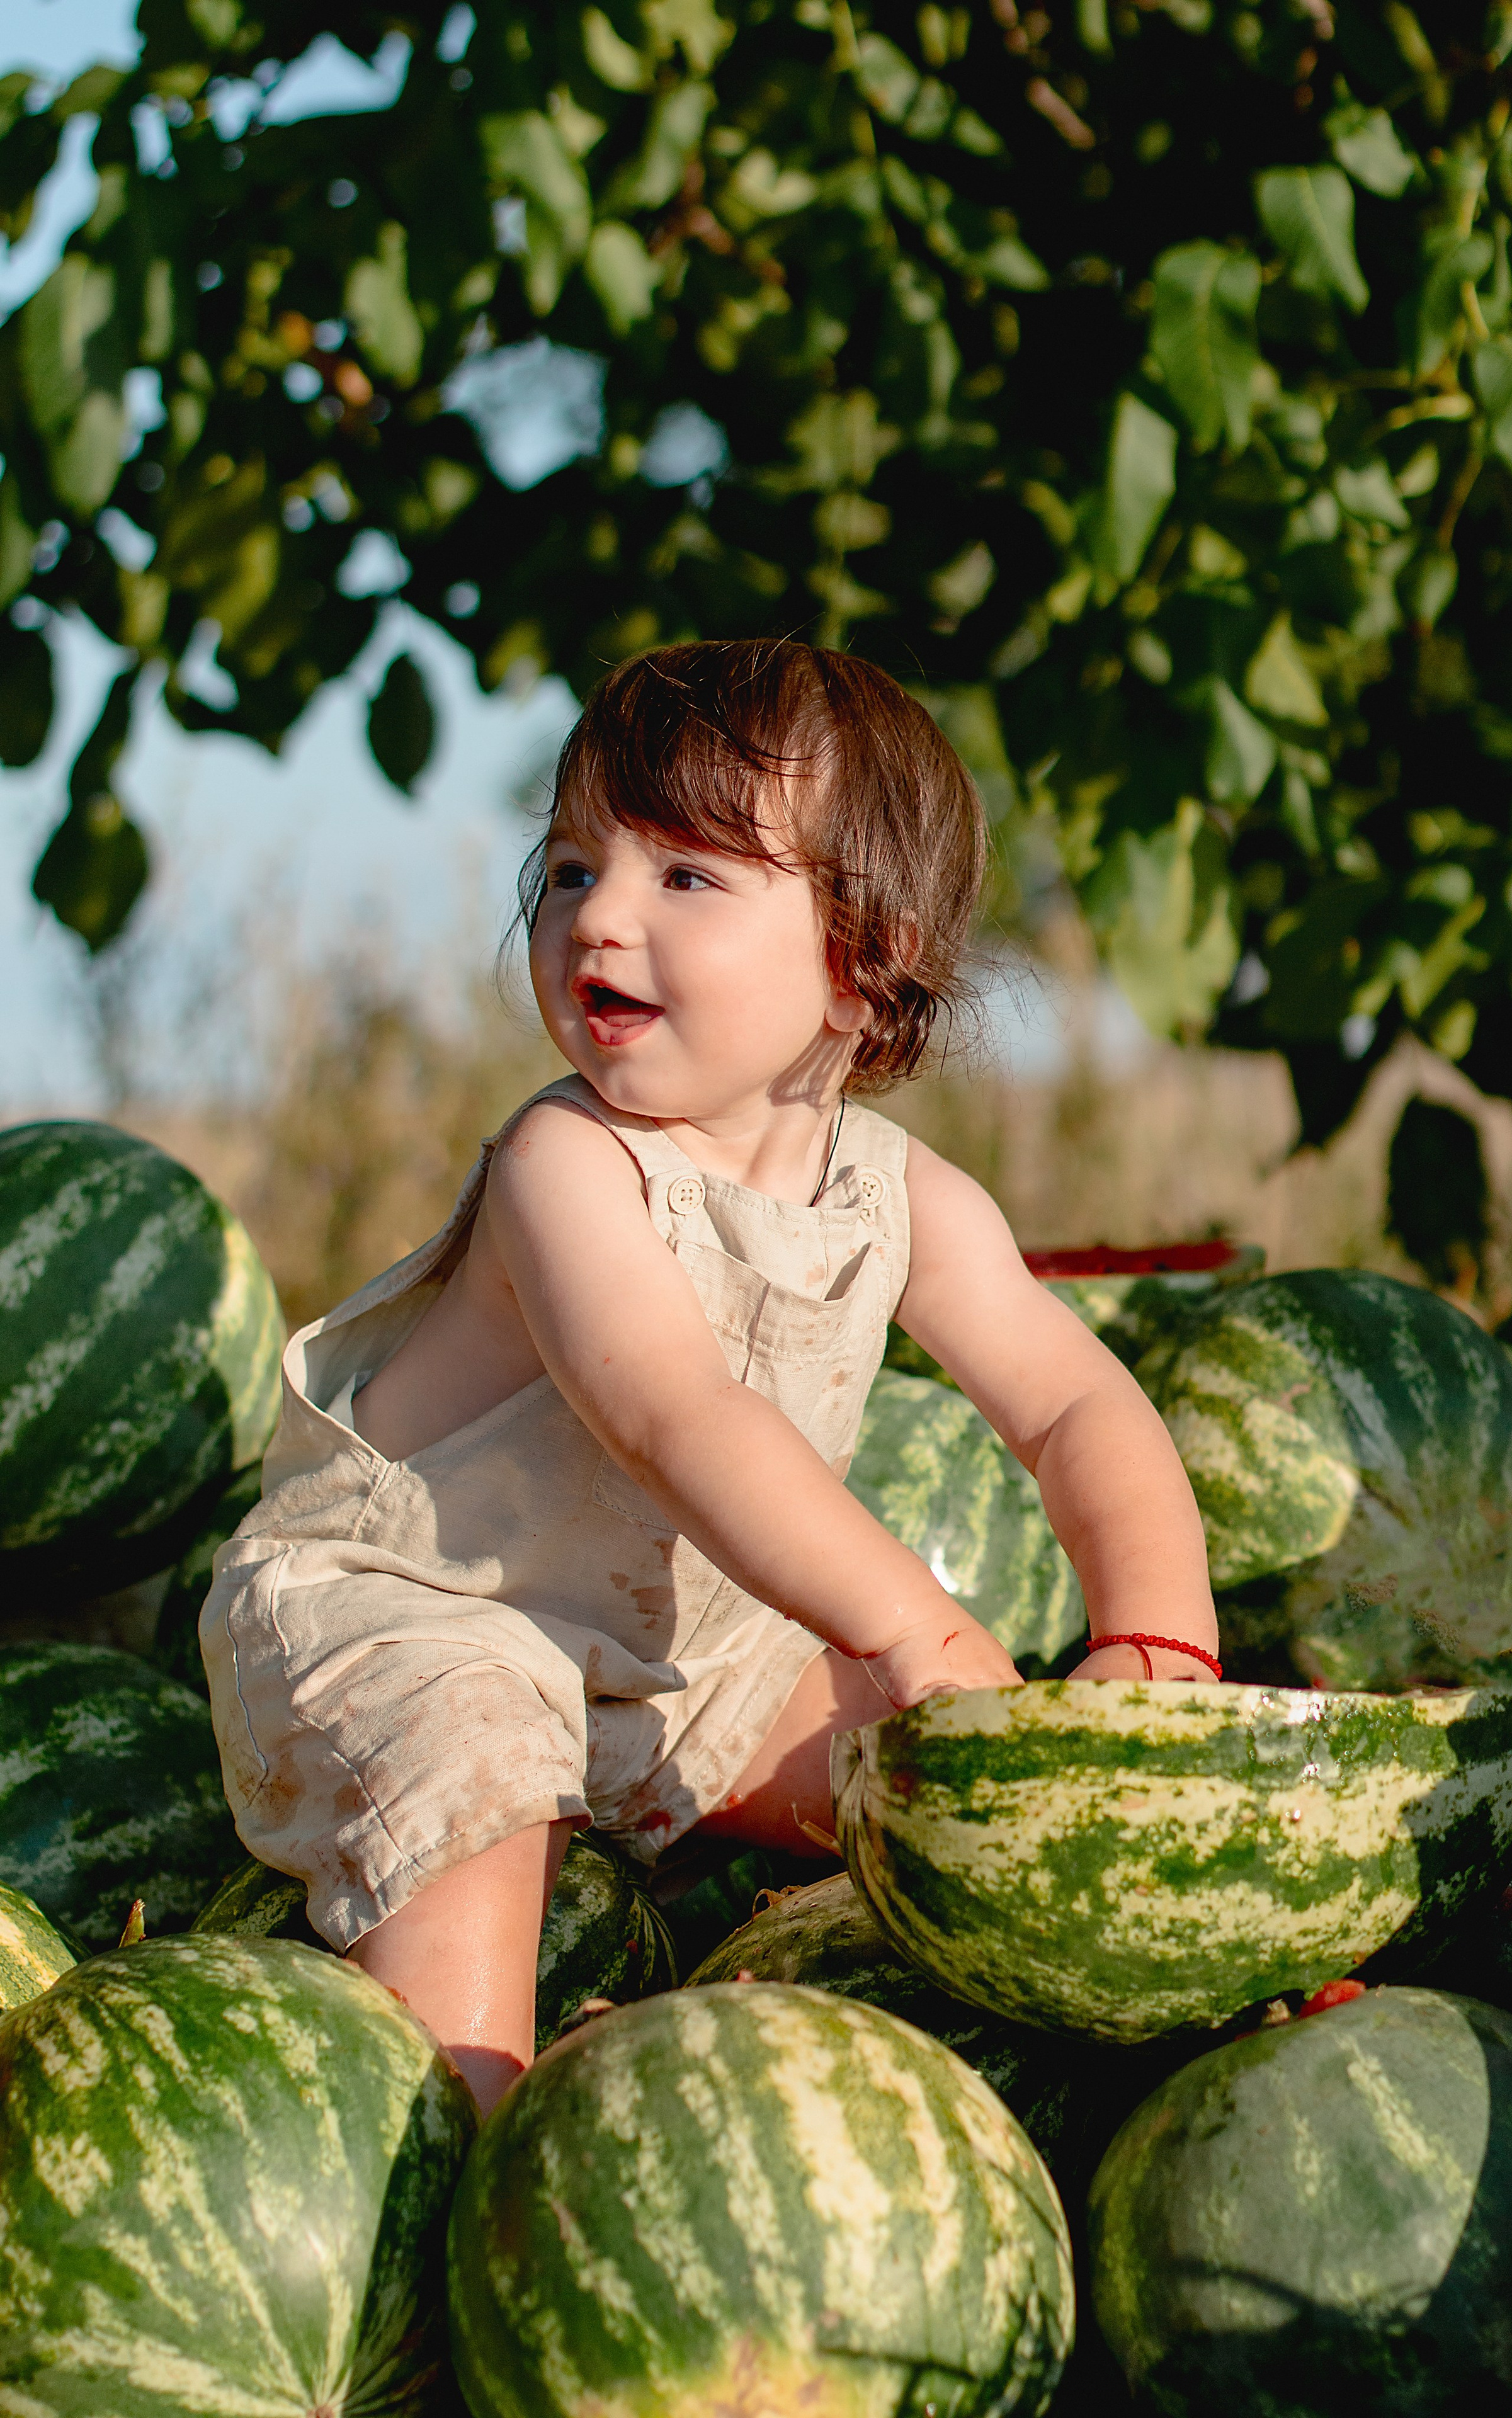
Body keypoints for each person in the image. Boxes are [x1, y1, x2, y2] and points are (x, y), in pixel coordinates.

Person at [201, 639, 1219, 2113]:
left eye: (683, 876)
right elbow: (677, 1418)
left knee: (965, 1782)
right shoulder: (569, 1167)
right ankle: (480, 2123)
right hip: (415, 1616)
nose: (597, 916)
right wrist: (909, 1622)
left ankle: (1138, 2023)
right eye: (567, 870)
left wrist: (1157, 1643)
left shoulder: (907, 1201)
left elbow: (1076, 1410)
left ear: (860, 961)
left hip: (688, 1666)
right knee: (475, 1770)